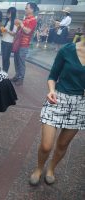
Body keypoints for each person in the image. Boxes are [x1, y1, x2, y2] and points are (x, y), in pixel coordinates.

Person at [29, 22, 85, 186]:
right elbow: (52, 76)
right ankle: (39, 168)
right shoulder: (67, 50)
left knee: (63, 144)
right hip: (58, 98)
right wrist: (51, 90)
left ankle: (51, 168)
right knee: (46, 145)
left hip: (80, 104)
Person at [11, 2, 38, 86]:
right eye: (25, 8)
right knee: (16, 60)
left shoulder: (33, 20)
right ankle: (17, 75)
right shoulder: (26, 19)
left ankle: (21, 79)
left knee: (21, 62)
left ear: (32, 9)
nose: (25, 9)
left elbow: (27, 31)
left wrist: (21, 23)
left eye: (27, 8)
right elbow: (20, 30)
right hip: (18, 43)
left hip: (24, 45)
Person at [1, 7, 18, 73]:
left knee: (6, 58)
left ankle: (5, 72)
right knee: (3, 58)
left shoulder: (15, 22)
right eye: (7, 12)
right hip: (3, 41)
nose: (7, 14)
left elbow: (14, 34)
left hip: (9, 43)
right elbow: (4, 32)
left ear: (13, 13)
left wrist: (6, 30)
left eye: (9, 13)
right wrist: (2, 30)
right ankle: (3, 70)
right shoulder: (8, 21)